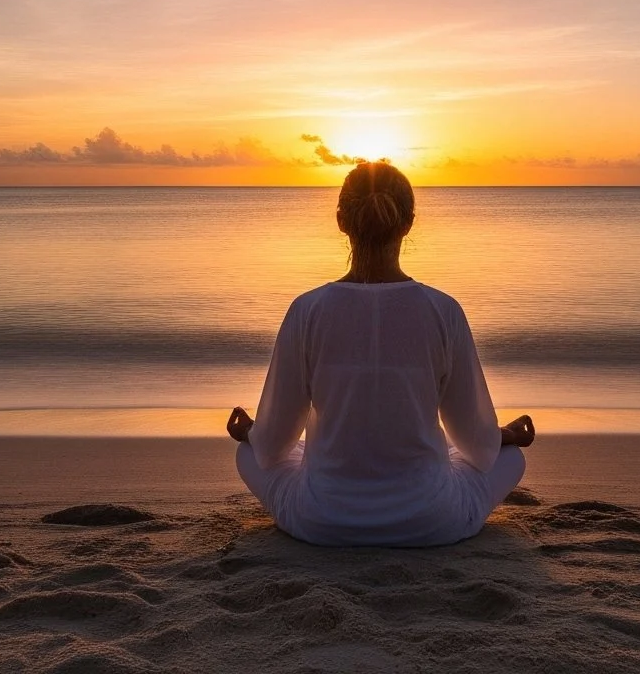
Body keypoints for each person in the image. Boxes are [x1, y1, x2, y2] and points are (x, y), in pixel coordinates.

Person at [227, 159, 537, 547]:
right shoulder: (443, 310)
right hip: (430, 520)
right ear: (408, 224)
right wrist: (501, 436)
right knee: (512, 458)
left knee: (246, 454)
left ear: (341, 221)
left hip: (323, 520)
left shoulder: (308, 310)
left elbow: (273, 449)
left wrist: (252, 433)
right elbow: (477, 445)